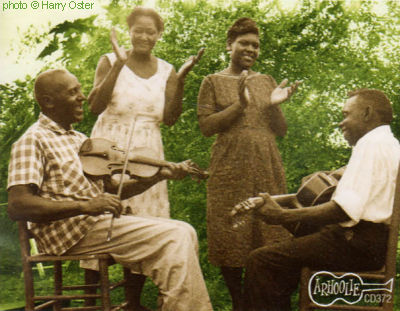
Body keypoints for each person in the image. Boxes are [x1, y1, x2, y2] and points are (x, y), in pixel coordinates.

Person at [7, 69, 213, 311]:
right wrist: (86, 206)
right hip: (71, 233)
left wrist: (157, 176)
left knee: (184, 231)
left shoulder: (77, 139)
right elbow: (18, 205)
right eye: (73, 92)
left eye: (80, 90)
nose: (82, 97)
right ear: (49, 101)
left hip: (96, 225)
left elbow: (113, 189)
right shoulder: (33, 140)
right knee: (173, 238)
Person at [241, 88, 400, 311]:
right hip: (366, 242)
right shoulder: (388, 144)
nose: (341, 123)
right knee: (283, 258)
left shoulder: (371, 144)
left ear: (367, 113)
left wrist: (282, 215)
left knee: (263, 261)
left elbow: (343, 211)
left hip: (356, 244)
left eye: (346, 114)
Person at [197, 17, 300, 311]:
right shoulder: (212, 81)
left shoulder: (265, 81)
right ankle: (238, 301)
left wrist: (274, 104)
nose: (251, 49)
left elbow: (280, 130)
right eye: (245, 43)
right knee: (230, 229)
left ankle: (266, 299)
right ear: (230, 45)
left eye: (256, 45)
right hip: (229, 166)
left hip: (266, 162)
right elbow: (207, 127)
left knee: (269, 228)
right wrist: (239, 105)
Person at [88, 7, 203, 218]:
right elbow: (94, 107)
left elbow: (170, 119)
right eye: (138, 31)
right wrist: (119, 65)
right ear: (129, 31)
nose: (144, 37)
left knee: (145, 217)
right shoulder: (110, 60)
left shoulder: (167, 71)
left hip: (147, 154)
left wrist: (181, 80)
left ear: (159, 35)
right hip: (109, 150)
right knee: (106, 212)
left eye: (150, 32)